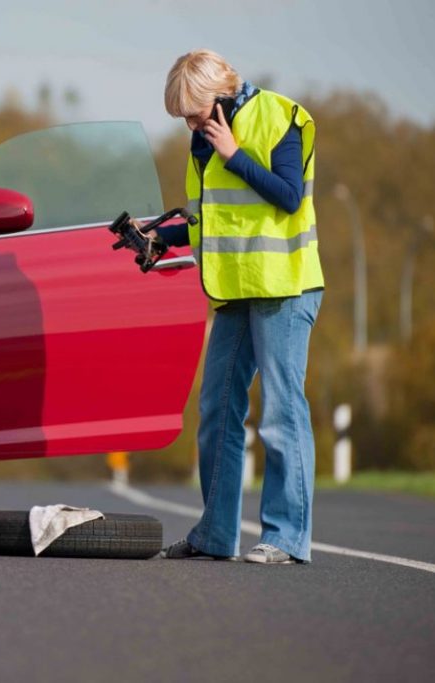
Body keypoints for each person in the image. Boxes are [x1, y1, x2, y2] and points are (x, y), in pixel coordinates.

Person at [150, 49, 324, 564]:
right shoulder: (203, 141)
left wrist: (234, 154)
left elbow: (289, 196)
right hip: (235, 290)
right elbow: (214, 219)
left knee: (282, 414)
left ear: (222, 95)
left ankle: (286, 538)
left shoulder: (280, 117)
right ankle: (215, 534)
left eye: (195, 113)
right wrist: (160, 236)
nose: (190, 124)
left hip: (285, 288)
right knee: (216, 411)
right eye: (183, 117)